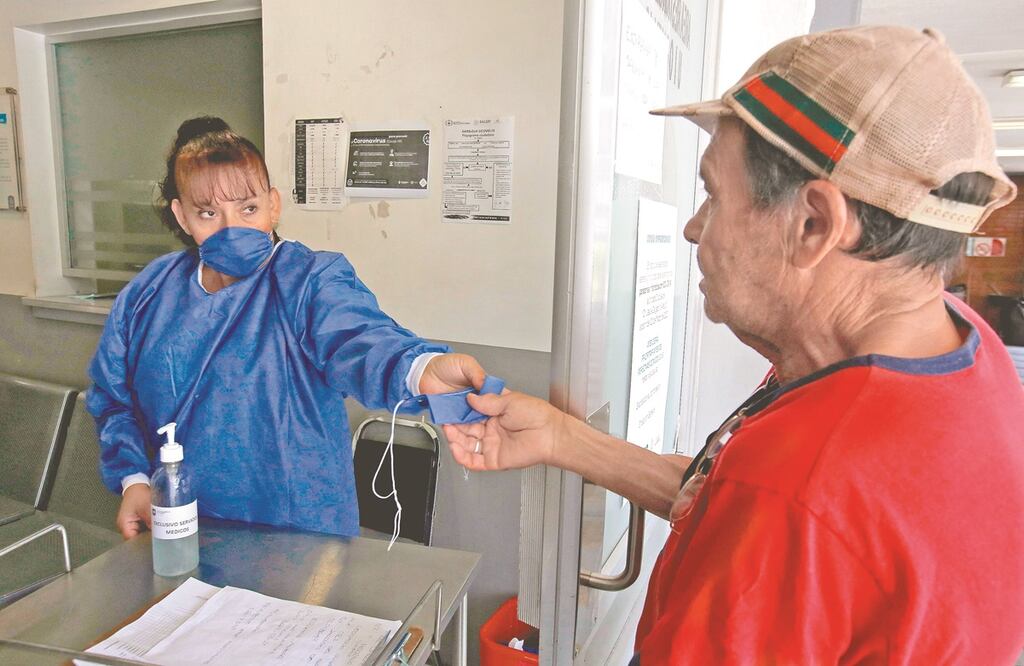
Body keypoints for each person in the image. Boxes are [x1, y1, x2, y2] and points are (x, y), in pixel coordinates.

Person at [446, 26, 1024, 663]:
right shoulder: (959, 351)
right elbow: (730, 500)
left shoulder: (806, 483)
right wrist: (561, 437)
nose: (694, 228)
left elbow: (782, 506)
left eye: (713, 195)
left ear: (814, 224)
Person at [88, 116, 485, 539]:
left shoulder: (307, 279)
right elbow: (114, 396)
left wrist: (419, 370)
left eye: (249, 208)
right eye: (208, 212)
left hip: (295, 530)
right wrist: (134, 479)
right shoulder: (150, 290)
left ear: (273, 205)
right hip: (177, 523)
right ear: (182, 216)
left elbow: (358, 337)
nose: (232, 228)